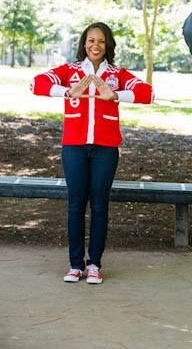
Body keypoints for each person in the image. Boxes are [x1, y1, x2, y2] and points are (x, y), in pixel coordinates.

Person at [31, 22, 153, 284]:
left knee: (99, 206)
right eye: (90, 41)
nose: (95, 46)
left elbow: (147, 93)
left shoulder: (116, 73)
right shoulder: (70, 70)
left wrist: (116, 95)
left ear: (107, 44)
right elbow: (36, 83)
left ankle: (94, 264)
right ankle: (75, 265)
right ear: (83, 44)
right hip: (74, 146)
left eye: (100, 41)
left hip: (106, 148)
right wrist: (66, 90)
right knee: (75, 205)